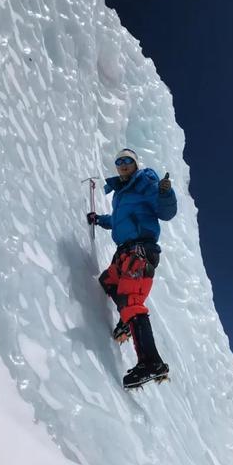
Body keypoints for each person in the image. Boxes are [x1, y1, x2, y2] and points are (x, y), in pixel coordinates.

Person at [86, 148, 177, 388]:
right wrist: (99, 219)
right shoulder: (121, 194)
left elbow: (165, 212)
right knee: (108, 281)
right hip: (124, 251)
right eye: (119, 162)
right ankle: (127, 320)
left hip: (140, 250)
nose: (123, 165)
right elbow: (119, 221)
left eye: (127, 161)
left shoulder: (145, 182)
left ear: (135, 164)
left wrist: (166, 193)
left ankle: (151, 363)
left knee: (132, 300)